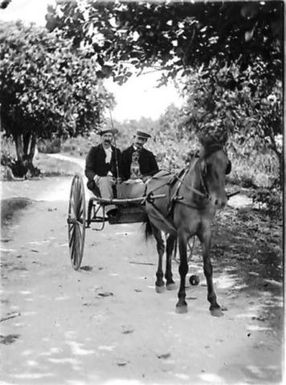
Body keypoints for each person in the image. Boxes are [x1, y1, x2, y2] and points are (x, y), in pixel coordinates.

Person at [85, 128, 121, 210]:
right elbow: (88, 170)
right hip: (98, 181)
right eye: (105, 136)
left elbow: (121, 168)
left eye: (109, 136)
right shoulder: (94, 151)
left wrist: (120, 177)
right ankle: (110, 209)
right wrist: (95, 177)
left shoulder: (117, 152)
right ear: (101, 137)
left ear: (112, 138)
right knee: (104, 181)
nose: (107, 138)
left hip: (114, 181)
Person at [119, 130, 159, 198]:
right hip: (129, 181)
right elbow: (120, 170)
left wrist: (147, 176)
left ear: (145, 141)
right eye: (139, 138)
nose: (140, 142)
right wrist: (122, 178)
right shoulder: (125, 153)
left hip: (145, 181)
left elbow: (155, 170)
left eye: (143, 140)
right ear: (134, 138)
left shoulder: (149, 155)